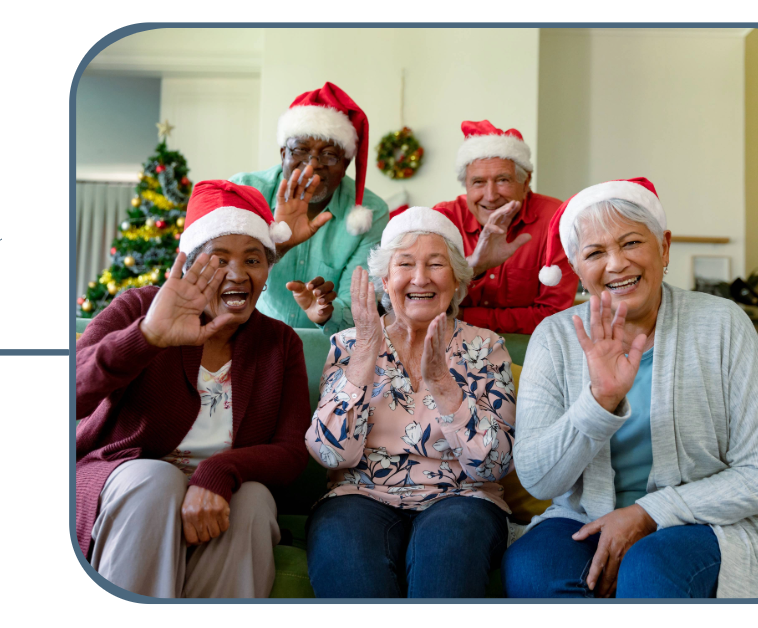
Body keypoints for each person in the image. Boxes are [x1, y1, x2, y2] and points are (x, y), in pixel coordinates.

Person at [503, 178, 758, 599]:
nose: (617, 264)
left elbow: (752, 473)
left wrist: (648, 513)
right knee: (533, 568)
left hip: (703, 521)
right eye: (596, 253)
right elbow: (538, 481)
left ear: (664, 247)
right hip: (582, 516)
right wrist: (599, 402)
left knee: (650, 568)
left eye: (632, 243)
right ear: (577, 269)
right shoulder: (554, 337)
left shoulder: (724, 324)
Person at [75, 178, 313, 598]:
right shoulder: (139, 307)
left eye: (253, 260)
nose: (238, 274)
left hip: (224, 492)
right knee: (156, 481)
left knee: (255, 500)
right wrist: (146, 337)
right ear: (189, 265)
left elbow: (292, 451)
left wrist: (218, 471)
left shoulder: (280, 342)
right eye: (219, 260)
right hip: (128, 482)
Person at [304, 207, 517, 598]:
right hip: (358, 495)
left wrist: (442, 384)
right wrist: (367, 350)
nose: (420, 278)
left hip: (462, 497)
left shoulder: (485, 347)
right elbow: (330, 455)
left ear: (456, 280)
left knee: (448, 549)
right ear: (386, 279)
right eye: (405, 264)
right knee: (345, 551)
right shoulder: (349, 344)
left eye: (436, 264)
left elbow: (495, 465)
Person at [229, 81, 390, 337]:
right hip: (243, 338)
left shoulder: (371, 212)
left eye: (329, 155)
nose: (312, 166)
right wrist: (277, 249)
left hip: (324, 353)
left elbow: (358, 308)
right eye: (301, 150)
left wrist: (327, 311)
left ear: (346, 163)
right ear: (283, 154)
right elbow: (219, 277)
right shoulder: (245, 190)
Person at [394, 120, 577, 334]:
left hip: (528, 345)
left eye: (502, 180)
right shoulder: (443, 219)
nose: (490, 197)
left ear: (525, 183)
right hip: (450, 343)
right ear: (466, 186)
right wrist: (475, 267)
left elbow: (553, 314)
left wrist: (462, 316)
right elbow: (422, 298)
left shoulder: (555, 220)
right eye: (478, 182)